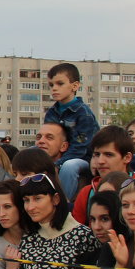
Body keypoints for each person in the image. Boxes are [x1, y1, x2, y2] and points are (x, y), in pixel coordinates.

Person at [44, 63, 99, 200]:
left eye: (60, 84)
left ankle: (63, 202)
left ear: (74, 86)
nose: (54, 88)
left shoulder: (83, 114)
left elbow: (80, 147)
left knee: (69, 166)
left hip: (82, 158)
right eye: (51, 85)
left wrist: (58, 163)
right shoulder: (51, 112)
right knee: (31, 154)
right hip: (60, 154)